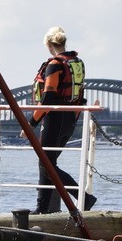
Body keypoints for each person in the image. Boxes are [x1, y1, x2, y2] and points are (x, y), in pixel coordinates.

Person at [27, 26, 96, 214]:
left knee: (46, 163)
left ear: (49, 44)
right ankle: (41, 208)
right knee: (47, 163)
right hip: (69, 118)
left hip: (54, 119)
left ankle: (84, 197)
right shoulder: (77, 63)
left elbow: (48, 97)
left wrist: (30, 123)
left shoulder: (55, 65)